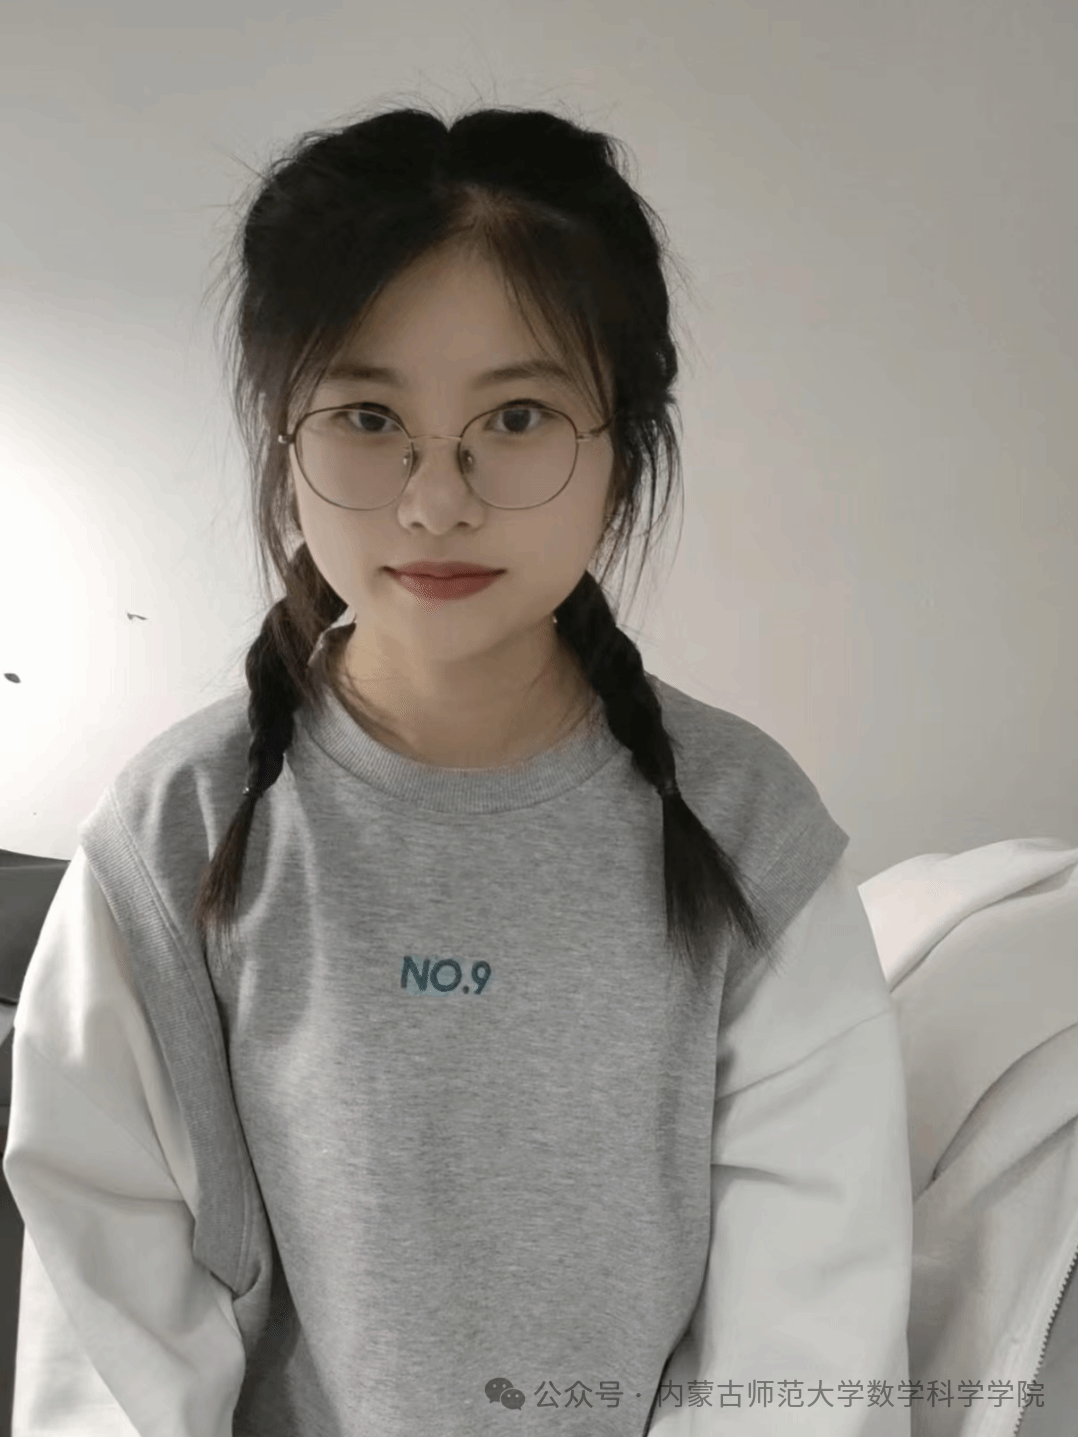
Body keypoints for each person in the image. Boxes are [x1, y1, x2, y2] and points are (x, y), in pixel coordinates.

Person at [4, 100, 912, 1435]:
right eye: (368, 416)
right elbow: (110, 1343)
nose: (437, 501)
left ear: (624, 446)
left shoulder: (745, 830)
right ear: (283, 435)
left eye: (519, 415)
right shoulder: (174, 835)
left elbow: (808, 1349)